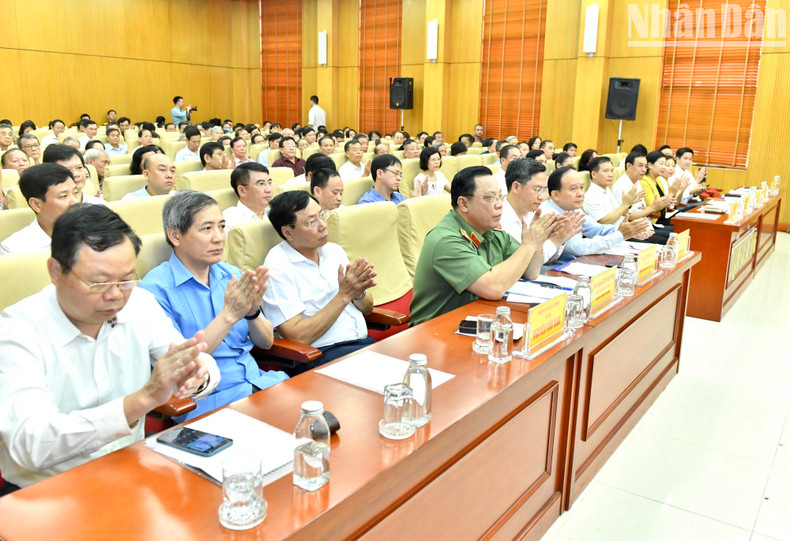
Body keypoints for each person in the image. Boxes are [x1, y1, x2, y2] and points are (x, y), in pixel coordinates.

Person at [0, 204, 220, 489]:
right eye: (98, 283)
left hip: (132, 470)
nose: (116, 295)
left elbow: (198, 362)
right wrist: (141, 400)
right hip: (48, 489)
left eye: (127, 278)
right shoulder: (17, 330)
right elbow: (29, 443)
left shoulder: (140, 303)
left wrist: (195, 374)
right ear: (55, 271)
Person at [140, 192, 286, 420]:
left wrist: (252, 313)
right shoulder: (154, 291)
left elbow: (266, 343)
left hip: (259, 384)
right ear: (175, 235)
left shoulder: (232, 274)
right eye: (207, 229)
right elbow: (182, 366)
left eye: (222, 227)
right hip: (210, 403)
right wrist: (229, 315)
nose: (219, 238)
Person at [409, 166, 558, 326]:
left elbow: (531, 272)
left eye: (500, 196)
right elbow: (494, 288)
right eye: (490, 198)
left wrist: (538, 242)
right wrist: (528, 245)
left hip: (477, 318)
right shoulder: (446, 240)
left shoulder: (491, 231)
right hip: (434, 331)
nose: (500, 204)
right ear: (464, 204)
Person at [263, 191, 376, 370]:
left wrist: (359, 292)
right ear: (288, 232)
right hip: (322, 356)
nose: (323, 225)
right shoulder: (277, 266)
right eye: (312, 222)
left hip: (363, 343)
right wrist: (344, 295)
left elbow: (368, 309)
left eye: (322, 215)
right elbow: (297, 336)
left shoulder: (334, 250)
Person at [541, 166, 650, 257]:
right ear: (556, 195)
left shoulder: (574, 209)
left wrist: (629, 230)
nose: (580, 193)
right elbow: (579, 248)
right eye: (573, 189)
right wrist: (620, 234)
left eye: (582, 187)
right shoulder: (550, 215)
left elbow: (597, 229)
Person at [500, 158, 584, 264]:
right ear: (516, 187)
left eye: (544, 190)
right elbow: (524, 263)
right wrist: (556, 240)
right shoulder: (499, 219)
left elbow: (546, 260)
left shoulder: (532, 214)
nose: (542, 196)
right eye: (537, 189)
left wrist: (561, 238)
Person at [0, 164, 80, 255]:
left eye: (75, 193)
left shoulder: (91, 233)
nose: (75, 201)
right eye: (63, 196)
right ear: (36, 205)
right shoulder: (14, 250)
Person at [639, 150, 687, 226]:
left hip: (662, 217)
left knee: (686, 220)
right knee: (682, 226)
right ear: (650, 165)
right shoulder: (644, 181)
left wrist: (669, 202)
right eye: (661, 164)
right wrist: (671, 193)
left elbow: (663, 204)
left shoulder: (658, 180)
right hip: (653, 221)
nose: (664, 167)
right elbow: (654, 207)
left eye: (665, 164)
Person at [223, 163, 274, 230]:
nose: (269, 189)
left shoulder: (274, 214)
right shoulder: (229, 220)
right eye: (261, 184)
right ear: (242, 191)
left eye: (269, 183)